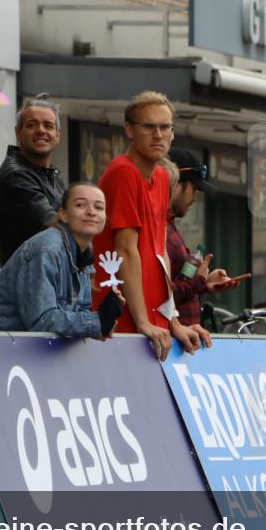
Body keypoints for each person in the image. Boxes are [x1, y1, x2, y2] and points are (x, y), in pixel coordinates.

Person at [92, 91, 206, 360]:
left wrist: (173, 320)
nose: (158, 134)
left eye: (165, 127)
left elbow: (160, 254)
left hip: (153, 321)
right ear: (129, 130)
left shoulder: (162, 177)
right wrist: (143, 321)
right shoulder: (124, 172)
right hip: (123, 316)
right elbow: (126, 251)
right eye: (149, 126)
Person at [0, 183, 123, 338]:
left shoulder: (84, 255)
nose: (91, 212)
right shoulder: (47, 249)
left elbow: (78, 314)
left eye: (99, 207)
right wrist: (95, 322)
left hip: (17, 350)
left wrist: (102, 323)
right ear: (63, 214)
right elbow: (42, 320)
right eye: (81, 205)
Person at [161, 149, 238, 326]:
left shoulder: (169, 226)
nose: (195, 198)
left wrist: (204, 283)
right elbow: (159, 293)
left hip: (181, 340)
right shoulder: (160, 230)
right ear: (176, 184)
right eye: (194, 189)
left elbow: (173, 287)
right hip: (170, 342)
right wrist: (198, 282)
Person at [0, 93, 66, 266]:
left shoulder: (51, 175)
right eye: (32, 125)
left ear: (57, 135)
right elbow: (55, 228)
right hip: (28, 288)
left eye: (48, 125)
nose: (41, 130)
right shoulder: (16, 177)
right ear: (18, 133)